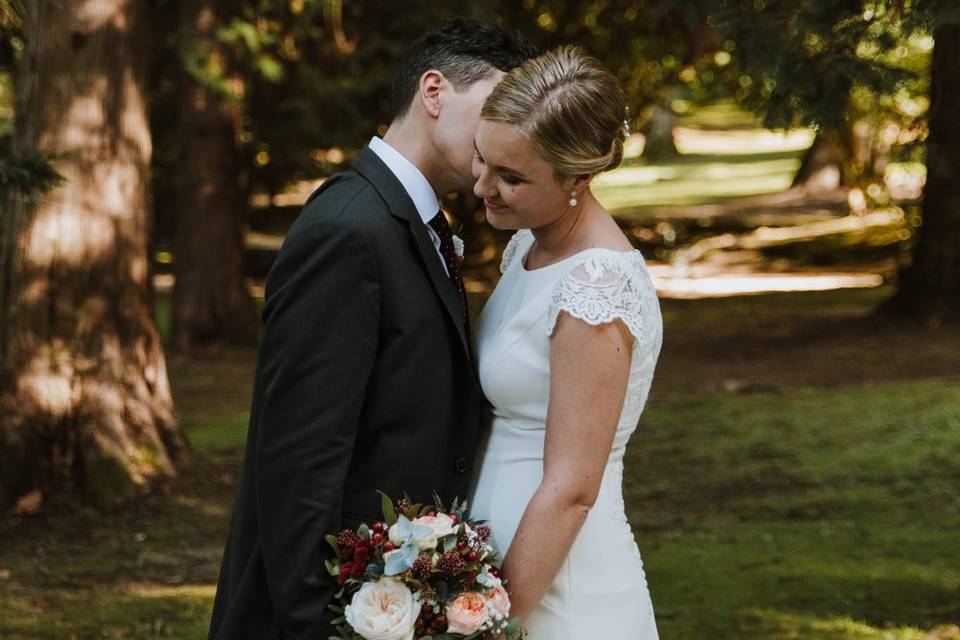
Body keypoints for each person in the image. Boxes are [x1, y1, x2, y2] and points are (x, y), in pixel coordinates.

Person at [208, 18, 536, 640]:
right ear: (433, 93)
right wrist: (319, 626)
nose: (505, 137)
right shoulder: (348, 231)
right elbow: (300, 463)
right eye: (495, 109)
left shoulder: (412, 220)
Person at [469, 45, 664, 638]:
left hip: (559, 587)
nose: (482, 187)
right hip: (495, 565)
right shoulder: (528, 247)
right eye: (482, 162)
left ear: (578, 177)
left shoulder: (595, 285)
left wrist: (494, 625)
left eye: (511, 177)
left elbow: (573, 490)